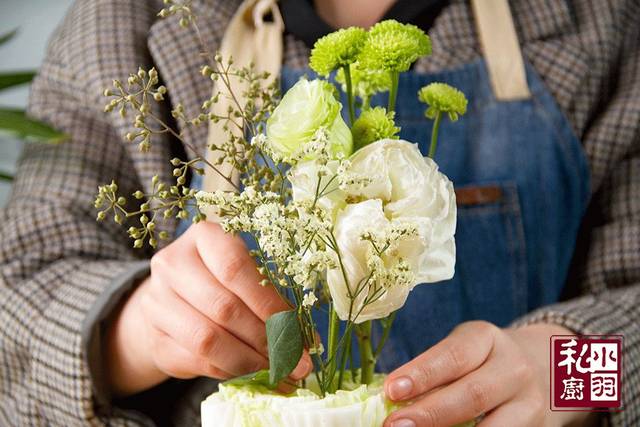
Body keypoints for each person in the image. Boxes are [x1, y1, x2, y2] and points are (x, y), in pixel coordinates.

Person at [0, 0, 638, 426]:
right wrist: (133, 330)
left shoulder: (596, 20)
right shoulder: (122, 28)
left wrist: (566, 372)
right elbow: (19, 306)